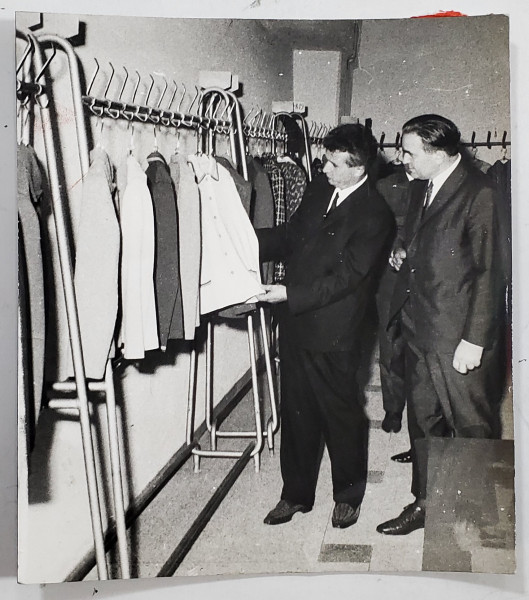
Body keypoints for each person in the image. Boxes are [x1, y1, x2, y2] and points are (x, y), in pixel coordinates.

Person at [255, 124, 394, 529]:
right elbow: (290, 237)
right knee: (296, 409)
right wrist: (245, 239)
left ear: (357, 167)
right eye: (326, 159)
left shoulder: (375, 214)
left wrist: (287, 293)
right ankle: (295, 494)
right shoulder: (318, 190)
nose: (325, 167)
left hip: (336, 329)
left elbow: (347, 278)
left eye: (334, 163)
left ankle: (348, 494)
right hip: (297, 322)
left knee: (341, 413)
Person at [377, 114, 504, 536]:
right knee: (424, 421)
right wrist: (402, 250)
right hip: (419, 326)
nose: (401, 158)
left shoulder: (480, 191)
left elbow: (489, 271)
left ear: (436, 153)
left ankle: (482, 511)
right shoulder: (421, 186)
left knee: (471, 423)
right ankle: (426, 503)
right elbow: (413, 234)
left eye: (409, 151)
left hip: (457, 334)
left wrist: (475, 339)